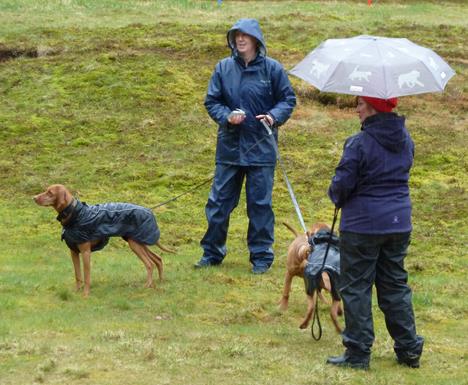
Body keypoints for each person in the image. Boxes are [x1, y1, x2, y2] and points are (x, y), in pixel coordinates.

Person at [326, 96, 424, 369]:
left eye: (359, 103)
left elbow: (342, 185)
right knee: (394, 285)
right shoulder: (405, 139)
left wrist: (335, 194)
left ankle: (358, 353)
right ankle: (409, 349)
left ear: (372, 106)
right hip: (399, 222)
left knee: (356, 287)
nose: (356, 109)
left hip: (362, 226)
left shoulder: (358, 143)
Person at [195, 18, 296, 274]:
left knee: (260, 206)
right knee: (218, 204)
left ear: (255, 40)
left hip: (262, 150)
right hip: (229, 149)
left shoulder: (273, 69)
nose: (240, 39)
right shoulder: (223, 67)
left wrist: (273, 117)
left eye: (245, 36)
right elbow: (212, 101)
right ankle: (212, 253)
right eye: (236, 35)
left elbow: (288, 99)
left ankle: (261, 258)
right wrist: (227, 116)